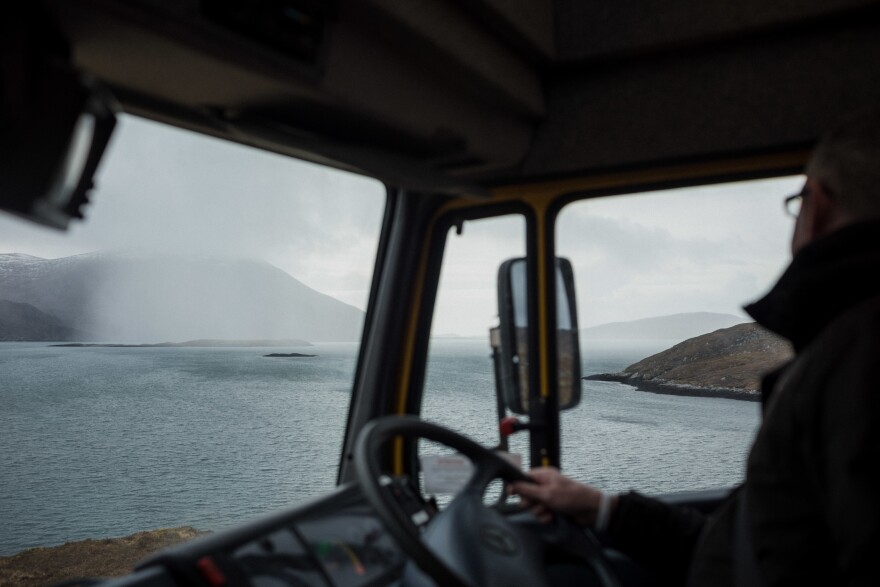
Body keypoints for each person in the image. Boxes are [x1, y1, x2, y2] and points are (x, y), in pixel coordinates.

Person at [510, 108, 880, 587]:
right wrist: (600, 508)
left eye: (795, 202)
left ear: (817, 205)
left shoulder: (858, 358)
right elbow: (746, 547)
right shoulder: (841, 352)